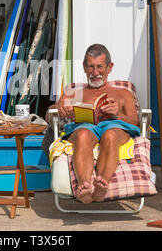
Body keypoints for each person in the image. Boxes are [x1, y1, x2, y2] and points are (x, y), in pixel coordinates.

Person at [47, 44, 140, 203]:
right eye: (91, 67)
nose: (95, 73)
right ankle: (84, 185)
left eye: (100, 67)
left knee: (110, 134)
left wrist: (117, 114)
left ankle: (101, 184)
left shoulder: (123, 93)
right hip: (84, 127)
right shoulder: (74, 92)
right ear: (84, 67)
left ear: (110, 67)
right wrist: (58, 109)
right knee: (83, 134)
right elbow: (49, 114)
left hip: (114, 127)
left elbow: (135, 122)